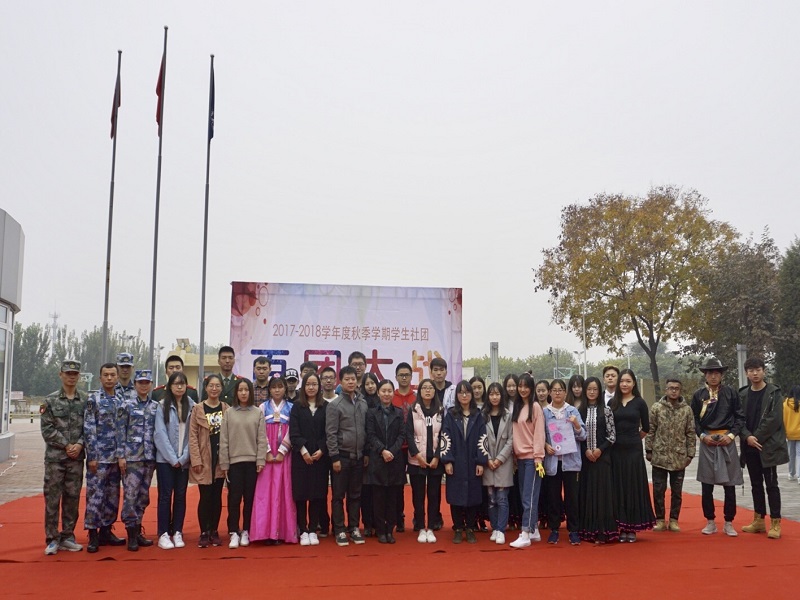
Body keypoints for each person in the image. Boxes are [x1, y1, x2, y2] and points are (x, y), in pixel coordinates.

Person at [691, 357, 744, 537]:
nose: (713, 376)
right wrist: (702, 436)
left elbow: (739, 417)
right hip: (707, 441)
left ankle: (729, 522)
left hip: (727, 440)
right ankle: (710, 521)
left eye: (716, 373)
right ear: (705, 375)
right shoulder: (699, 395)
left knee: (730, 484)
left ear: (721, 375)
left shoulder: (731, 393)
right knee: (707, 485)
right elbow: (694, 419)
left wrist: (731, 436)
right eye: (710, 373)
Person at [738, 356, 788, 539]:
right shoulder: (743, 394)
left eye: (758, 370)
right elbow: (739, 419)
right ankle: (759, 520)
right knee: (756, 485)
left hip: (768, 446)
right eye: (751, 370)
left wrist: (755, 437)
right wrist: (747, 437)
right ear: (746, 373)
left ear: (764, 371)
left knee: (772, 485)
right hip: (749, 446)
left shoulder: (774, 393)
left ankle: (775, 522)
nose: (755, 373)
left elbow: (774, 419)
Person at [41, 359, 87, 555]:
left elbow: (90, 426)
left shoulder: (85, 400)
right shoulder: (50, 401)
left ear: (79, 376)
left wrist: (80, 444)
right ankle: (52, 538)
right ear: (61, 374)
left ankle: (68, 536)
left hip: (76, 459)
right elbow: (47, 430)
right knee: (52, 499)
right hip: (55, 459)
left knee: (72, 498)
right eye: (68, 373)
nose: (71, 377)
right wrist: (67, 445)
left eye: (75, 374)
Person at [220, 378, 267, 549]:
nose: (243, 393)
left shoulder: (257, 412)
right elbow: (224, 440)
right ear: (236, 393)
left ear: (250, 392)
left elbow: (262, 438)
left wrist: (260, 459)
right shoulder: (229, 413)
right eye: (240, 390)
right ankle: (233, 531)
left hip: (252, 463)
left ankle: (246, 530)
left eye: (246, 390)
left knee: (249, 499)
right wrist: (224, 463)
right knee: (234, 499)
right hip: (234, 463)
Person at [83, 362, 126, 553]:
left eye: (112, 375)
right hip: (99, 459)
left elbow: (124, 429)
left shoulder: (122, 399)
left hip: (116, 458)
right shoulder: (94, 399)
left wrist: (122, 455)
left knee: (112, 497)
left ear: (117, 377)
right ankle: (93, 534)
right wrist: (92, 456)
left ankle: (106, 531)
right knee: (95, 497)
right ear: (100, 377)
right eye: (106, 375)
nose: (109, 378)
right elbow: (89, 428)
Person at [609, 369, 655, 542]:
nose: (624, 384)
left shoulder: (640, 402)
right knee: (618, 488)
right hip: (615, 452)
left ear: (634, 383)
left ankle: (632, 528)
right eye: (622, 381)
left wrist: (634, 439)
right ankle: (621, 527)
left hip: (634, 452)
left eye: (628, 381)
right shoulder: (612, 403)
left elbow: (646, 428)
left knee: (632, 488)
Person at [250, 375, 297, 544]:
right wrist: (267, 451)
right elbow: (259, 430)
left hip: (285, 455)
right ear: (269, 389)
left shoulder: (292, 407)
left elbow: (293, 430)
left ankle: (282, 532)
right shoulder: (262, 407)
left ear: (285, 389)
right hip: (268, 455)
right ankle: (265, 532)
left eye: (280, 387)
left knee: (284, 491)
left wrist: (283, 450)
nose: (277, 390)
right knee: (265, 493)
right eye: (274, 387)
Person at [441, 381, 488, 544]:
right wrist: (447, 460)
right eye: (461, 392)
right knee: (455, 496)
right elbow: (445, 438)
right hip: (456, 462)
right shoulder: (451, 415)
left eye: (467, 392)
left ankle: (470, 528)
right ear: (456, 396)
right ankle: (458, 528)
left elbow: (483, 439)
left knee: (473, 496)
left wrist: (481, 462)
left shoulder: (478, 415)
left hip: (473, 462)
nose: (464, 395)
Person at [645, 379, 695, 532]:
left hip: (679, 457)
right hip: (659, 455)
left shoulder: (686, 410)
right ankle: (660, 519)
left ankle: (674, 520)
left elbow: (690, 432)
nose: (674, 391)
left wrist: (690, 454)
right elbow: (651, 429)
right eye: (671, 388)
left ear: (680, 391)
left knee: (677, 492)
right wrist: (648, 450)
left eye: (676, 388)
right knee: (658, 490)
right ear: (665, 390)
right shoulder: (657, 407)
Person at [326, 365, 369, 546]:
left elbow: (366, 430)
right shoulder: (334, 405)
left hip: (358, 457)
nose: (351, 382)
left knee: (355, 495)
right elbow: (331, 434)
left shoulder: (363, 403)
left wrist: (365, 453)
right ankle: (339, 529)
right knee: (338, 496)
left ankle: (353, 527)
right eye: (347, 379)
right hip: (341, 457)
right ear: (341, 381)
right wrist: (335, 457)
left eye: (353, 379)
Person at [153, 371, 196, 550]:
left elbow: (193, 435)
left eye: (182, 383)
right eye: (176, 384)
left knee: (180, 496)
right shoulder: (162, 406)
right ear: (169, 386)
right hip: (165, 461)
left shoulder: (192, 406)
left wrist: (184, 457)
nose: (179, 387)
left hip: (184, 460)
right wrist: (173, 459)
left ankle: (177, 531)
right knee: (165, 496)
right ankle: (163, 533)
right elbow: (159, 434)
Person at [117, 369, 159, 551]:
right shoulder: (126, 405)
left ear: (151, 385)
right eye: (140, 382)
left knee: (143, 496)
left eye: (146, 382)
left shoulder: (155, 406)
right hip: (131, 458)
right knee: (130, 496)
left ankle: (138, 529)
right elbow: (120, 431)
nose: (143, 385)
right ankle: (131, 534)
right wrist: (120, 456)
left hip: (149, 458)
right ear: (135, 384)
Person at [543, 379, 587, 545]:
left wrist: (576, 424)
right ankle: (554, 529)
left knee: (572, 498)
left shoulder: (572, 411)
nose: (557, 393)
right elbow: (539, 435)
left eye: (560, 390)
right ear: (550, 393)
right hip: (553, 462)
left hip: (571, 462)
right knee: (553, 497)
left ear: (565, 392)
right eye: (554, 390)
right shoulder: (545, 412)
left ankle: (573, 530)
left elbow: (583, 436)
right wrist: (546, 445)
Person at [290, 373, 329, 546]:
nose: (311, 387)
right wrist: (303, 451)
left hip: (320, 458)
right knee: (301, 495)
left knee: (316, 494)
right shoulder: (297, 406)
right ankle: (303, 530)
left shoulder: (326, 406)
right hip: (301, 458)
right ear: (303, 386)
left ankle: (313, 529)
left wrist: (322, 450)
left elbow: (329, 431)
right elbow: (294, 431)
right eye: (308, 384)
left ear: (319, 387)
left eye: (314, 384)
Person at [190, 374, 229, 547]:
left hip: (220, 458)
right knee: (205, 496)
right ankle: (204, 532)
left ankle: (214, 530)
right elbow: (193, 436)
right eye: (211, 385)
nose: (214, 389)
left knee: (217, 496)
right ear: (205, 388)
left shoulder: (226, 408)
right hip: (204, 457)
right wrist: (196, 460)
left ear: (221, 388)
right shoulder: (198, 409)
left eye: (217, 385)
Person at [577, 376, 617, 544]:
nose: (592, 392)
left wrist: (600, 450)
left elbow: (612, 436)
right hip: (585, 459)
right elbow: (576, 435)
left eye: (595, 389)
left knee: (602, 494)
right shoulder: (579, 411)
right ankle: (587, 530)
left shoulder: (606, 410)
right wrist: (586, 450)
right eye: (589, 389)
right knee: (587, 493)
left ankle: (603, 531)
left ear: (599, 391)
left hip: (603, 458)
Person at [366, 380, 406, 543]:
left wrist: (392, 451)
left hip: (395, 461)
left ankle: (390, 530)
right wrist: (383, 450)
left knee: (392, 498)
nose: (386, 394)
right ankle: (380, 530)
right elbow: (370, 435)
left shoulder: (399, 412)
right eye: (383, 391)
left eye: (389, 391)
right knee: (378, 498)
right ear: (378, 393)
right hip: (378, 460)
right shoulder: (371, 413)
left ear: (393, 393)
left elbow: (402, 435)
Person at [509, 373, 546, 548]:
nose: (523, 389)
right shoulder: (517, 407)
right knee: (526, 495)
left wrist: (538, 458)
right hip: (520, 459)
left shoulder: (535, 407)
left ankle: (525, 533)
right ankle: (534, 529)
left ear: (531, 388)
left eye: (526, 386)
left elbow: (539, 434)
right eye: (520, 386)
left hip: (533, 459)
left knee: (528, 498)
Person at [407, 378, 444, 543]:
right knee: (418, 495)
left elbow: (444, 435)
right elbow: (408, 434)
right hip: (417, 460)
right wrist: (417, 455)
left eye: (430, 388)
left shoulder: (441, 411)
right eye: (424, 388)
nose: (428, 390)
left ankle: (431, 527)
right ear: (420, 391)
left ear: (435, 391)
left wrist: (437, 456)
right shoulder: (413, 410)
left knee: (434, 495)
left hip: (435, 460)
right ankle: (421, 527)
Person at [481, 382, 513, 545]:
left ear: (502, 396)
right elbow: (480, 439)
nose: (494, 397)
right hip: (487, 462)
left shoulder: (508, 415)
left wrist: (499, 459)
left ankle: (501, 529)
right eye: (491, 394)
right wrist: (487, 459)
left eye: (497, 394)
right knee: (491, 498)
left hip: (503, 463)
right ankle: (494, 527)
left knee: (501, 498)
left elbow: (511, 440)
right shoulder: (482, 415)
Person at [392, 362, 416, 533]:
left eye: (407, 375)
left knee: (416, 484)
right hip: (397, 448)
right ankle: (398, 517)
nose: (404, 377)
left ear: (411, 377)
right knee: (398, 485)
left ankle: (418, 517)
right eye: (401, 375)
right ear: (396, 377)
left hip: (414, 448)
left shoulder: (417, 398)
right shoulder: (390, 396)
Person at [360, 372, 380, 536]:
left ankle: (378, 523)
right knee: (365, 490)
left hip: (379, 452)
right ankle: (367, 524)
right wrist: (366, 451)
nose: (370, 386)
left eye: (372, 383)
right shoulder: (360, 402)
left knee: (378, 491)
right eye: (367, 384)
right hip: (365, 453)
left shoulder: (382, 402)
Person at [503, 373, 522, 531]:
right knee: (509, 487)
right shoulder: (502, 404)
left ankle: (521, 519)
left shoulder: (525, 404)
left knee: (520, 487)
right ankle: (510, 519)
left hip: (522, 450)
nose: (511, 388)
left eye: (513, 385)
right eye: (508, 386)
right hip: (506, 451)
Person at [533, 377, 551, 531]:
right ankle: (539, 517)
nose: (541, 393)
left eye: (543, 390)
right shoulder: (533, 408)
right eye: (538, 391)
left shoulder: (552, 409)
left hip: (552, 453)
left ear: (548, 392)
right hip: (537, 452)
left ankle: (549, 517)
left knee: (549, 487)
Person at [784, 385, 800, 483]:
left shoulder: (785, 404)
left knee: (791, 454)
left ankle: (791, 473)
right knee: (799, 454)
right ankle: (799, 476)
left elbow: (783, 419)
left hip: (789, 432)